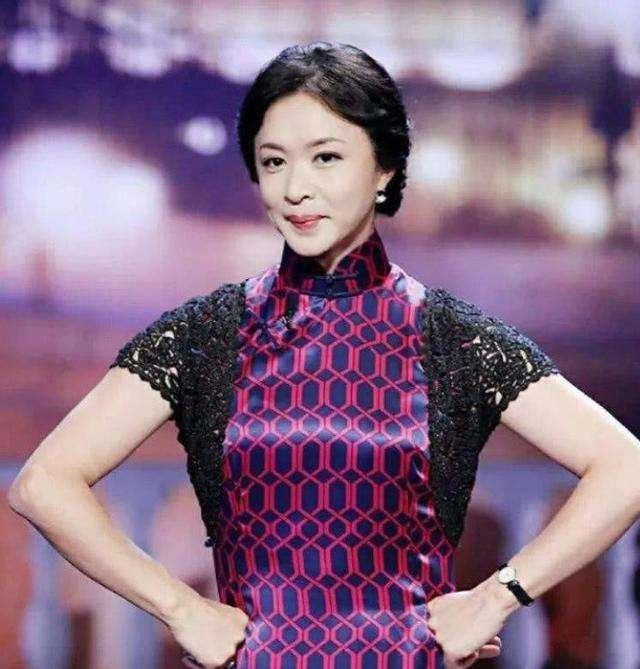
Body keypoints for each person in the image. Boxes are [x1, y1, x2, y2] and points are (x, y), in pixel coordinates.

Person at [8, 41, 640, 669]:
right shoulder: (207, 334)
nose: (295, 188)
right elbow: (44, 484)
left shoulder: (453, 339)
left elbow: (626, 467)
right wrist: (179, 607)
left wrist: (497, 596)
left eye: (326, 157)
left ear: (385, 168)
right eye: (274, 161)